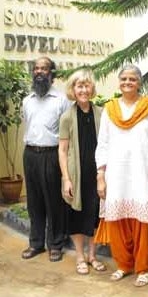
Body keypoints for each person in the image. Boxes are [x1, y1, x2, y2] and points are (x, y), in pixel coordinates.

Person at [94, 64, 148, 287]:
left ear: (139, 82)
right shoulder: (110, 109)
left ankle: (143, 267)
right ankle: (124, 264)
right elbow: (102, 144)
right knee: (117, 219)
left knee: (143, 222)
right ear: (119, 82)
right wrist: (100, 175)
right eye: (123, 79)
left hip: (143, 175)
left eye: (132, 79)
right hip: (116, 174)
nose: (127, 82)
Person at [21, 56, 71, 262]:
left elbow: (67, 132)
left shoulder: (61, 100)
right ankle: (36, 244)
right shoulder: (27, 100)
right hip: (30, 154)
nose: (39, 72)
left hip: (51, 155)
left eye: (44, 68)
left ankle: (56, 244)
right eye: (36, 68)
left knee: (54, 202)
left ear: (52, 74)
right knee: (34, 202)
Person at [58, 69, 106, 275]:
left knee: (95, 215)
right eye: (79, 86)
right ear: (73, 89)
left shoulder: (102, 114)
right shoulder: (67, 117)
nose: (83, 90)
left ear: (91, 88)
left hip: (97, 175)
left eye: (87, 86)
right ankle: (79, 256)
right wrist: (66, 179)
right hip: (76, 177)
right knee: (77, 216)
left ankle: (93, 255)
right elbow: (62, 150)